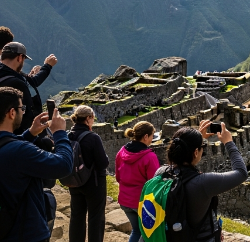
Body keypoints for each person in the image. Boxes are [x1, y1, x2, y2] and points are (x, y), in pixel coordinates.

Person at [0, 86, 73, 242]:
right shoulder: (20, 151)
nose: (23, 111)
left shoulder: (13, 148)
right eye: (22, 108)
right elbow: (64, 165)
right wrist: (60, 133)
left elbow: (9, 150)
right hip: (25, 233)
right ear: (12, 113)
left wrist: (30, 133)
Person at [155, 120, 247, 242]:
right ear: (196, 152)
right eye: (201, 148)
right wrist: (228, 142)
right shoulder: (204, 183)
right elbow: (241, 173)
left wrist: (195, 140)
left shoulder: (161, 172)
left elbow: (183, 162)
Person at [67, 106, 110, 242]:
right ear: (87, 119)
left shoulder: (68, 136)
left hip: (74, 181)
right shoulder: (92, 137)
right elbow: (103, 163)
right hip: (94, 183)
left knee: (76, 216)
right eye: (92, 117)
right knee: (96, 218)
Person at [0, 42, 58, 134]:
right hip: (22, 136)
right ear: (19, 58)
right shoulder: (17, 82)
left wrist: (46, 67)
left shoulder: (12, 75)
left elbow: (32, 82)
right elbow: (28, 113)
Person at [116, 122, 159, 242]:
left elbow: (118, 177)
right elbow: (154, 184)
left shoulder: (122, 152)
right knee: (147, 233)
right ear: (145, 137)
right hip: (141, 202)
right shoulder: (149, 157)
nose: (152, 139)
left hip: (125, 200)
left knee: (136, 230)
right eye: (152, 136)